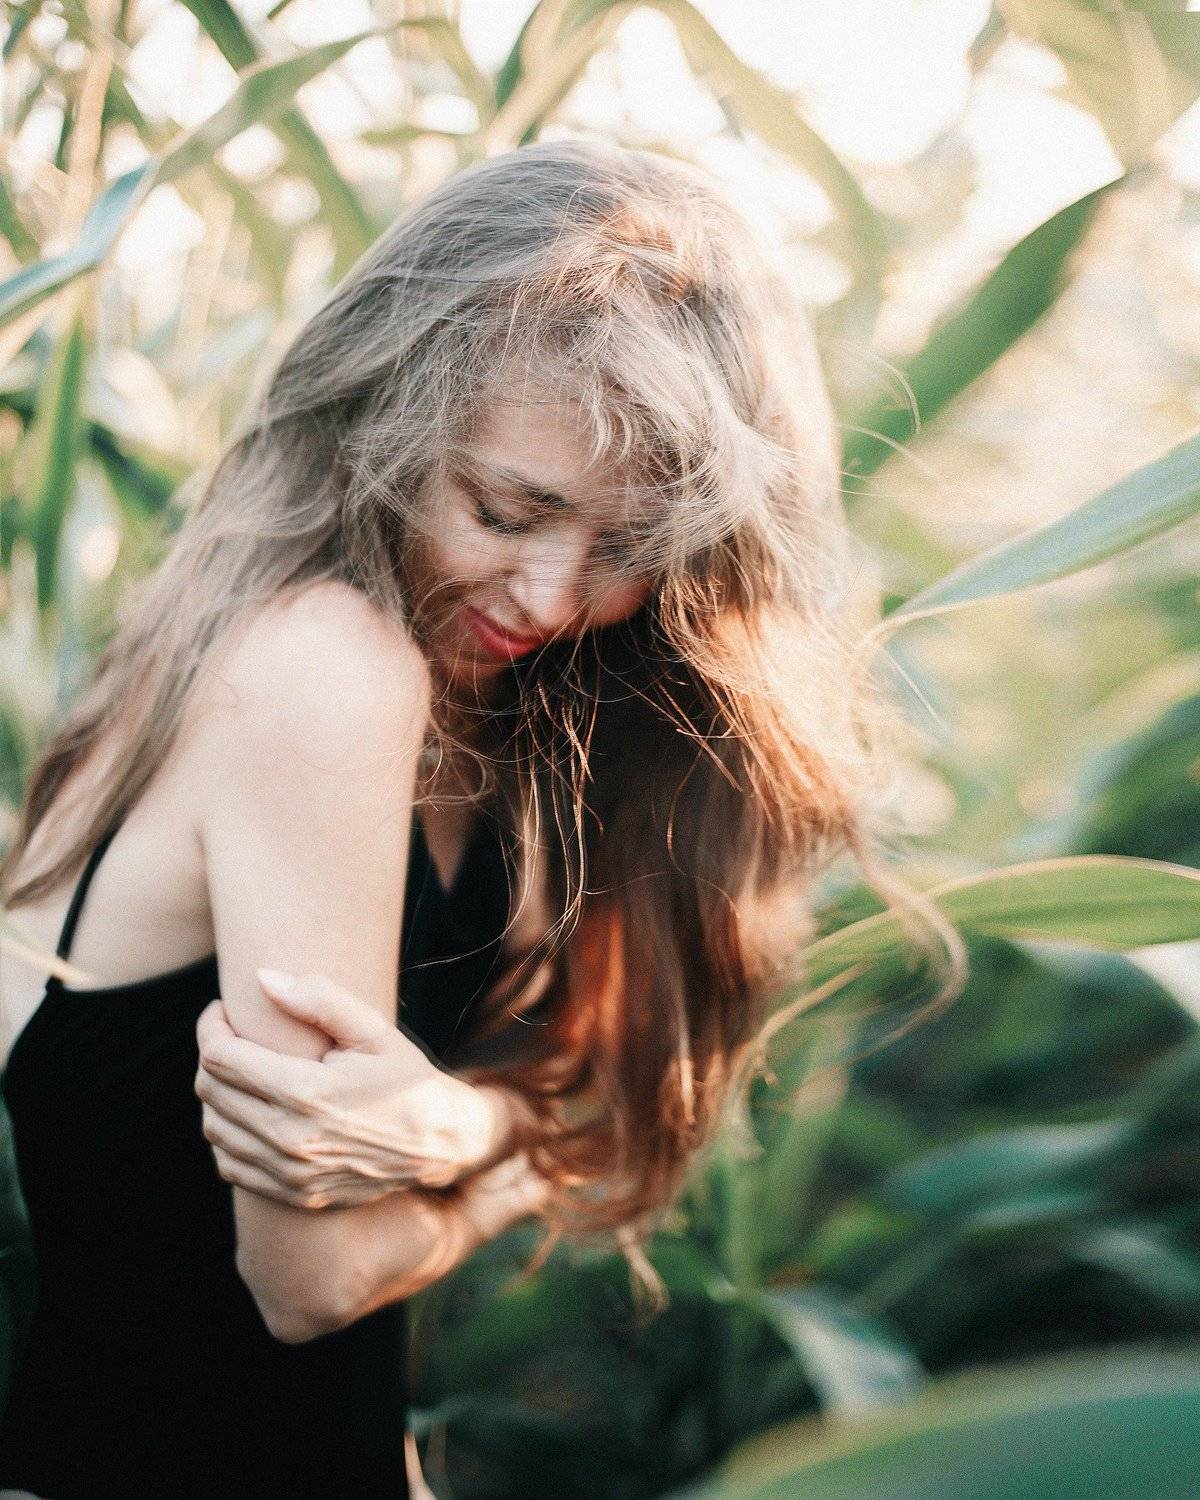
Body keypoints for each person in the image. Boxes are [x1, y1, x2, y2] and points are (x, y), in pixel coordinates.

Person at [0, 138, 954, 1497]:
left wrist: (458, 1131)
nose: (553, 598)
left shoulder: (510, 705)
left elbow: (585, 1087)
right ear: (384, 423)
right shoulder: (327, 668)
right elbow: (313, 1282)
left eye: (628, 547)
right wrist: (501, 1172)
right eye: (507, 511)